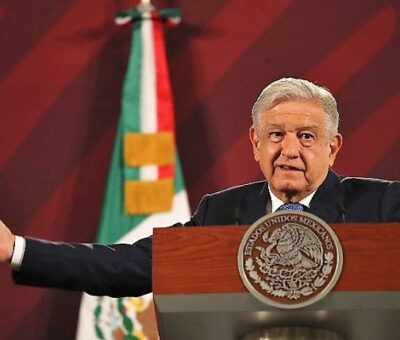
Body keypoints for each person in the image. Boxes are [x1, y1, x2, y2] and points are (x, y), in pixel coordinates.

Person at [0, 77, 399, 297]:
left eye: (307, 137)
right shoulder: (222, 213)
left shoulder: (382, 206)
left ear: (334, 147)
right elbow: (131, 265)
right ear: (255, 144)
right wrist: (18, 248)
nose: (289, 150)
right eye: (275, 135)